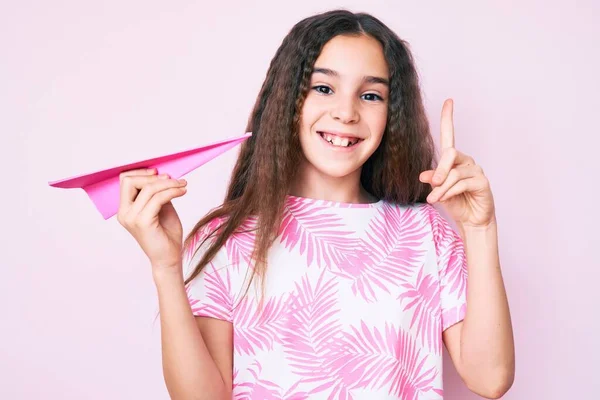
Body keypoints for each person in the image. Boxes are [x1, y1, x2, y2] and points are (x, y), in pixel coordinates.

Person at [117, 9, 515, 400]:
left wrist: (480, 230)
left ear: (391, 116)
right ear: (289, 100)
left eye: (371, 95)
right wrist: (166, 268)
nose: (346, 112)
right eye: (323, 88)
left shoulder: (426, 231)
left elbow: (490, 378)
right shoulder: (228, 238)